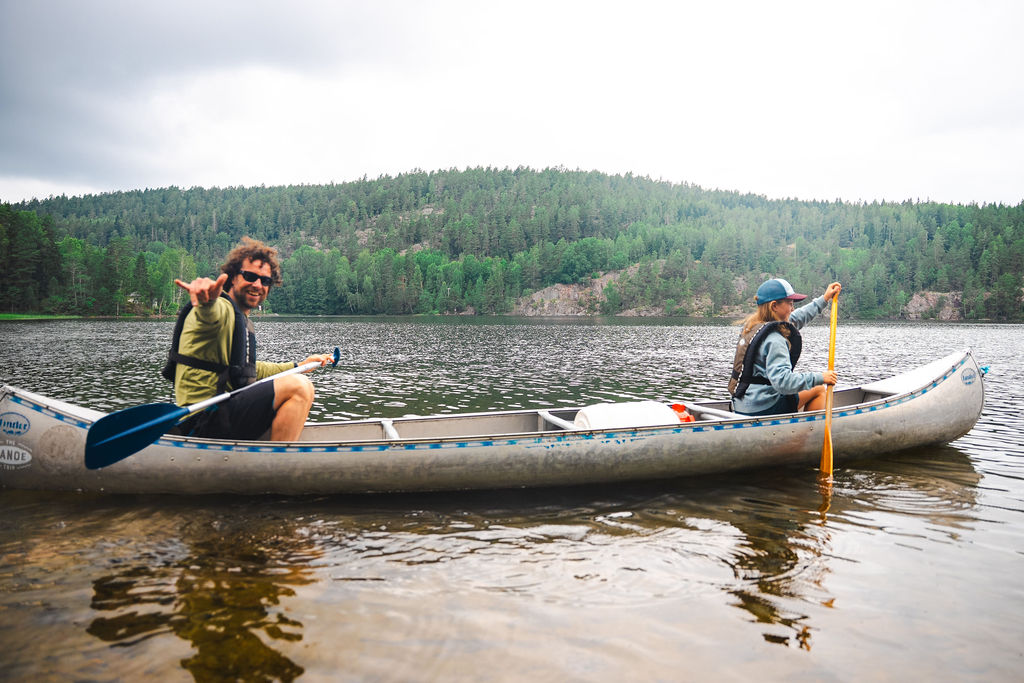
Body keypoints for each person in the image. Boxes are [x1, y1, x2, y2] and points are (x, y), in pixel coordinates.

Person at [163, 237, 334, 441]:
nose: (257, 284)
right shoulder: (221, 309)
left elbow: (251, 369)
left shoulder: (240, 319)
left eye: (265, 280)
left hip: (220, 416)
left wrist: (299, 365)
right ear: (233, 277)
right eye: (250, 276)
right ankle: (276, 466)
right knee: (300, 387)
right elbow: (209, 316)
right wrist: (206, 302)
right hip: (201, 422)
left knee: (291, 387)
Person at [729, 278, 842, 416]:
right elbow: (783, 382)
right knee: (818, 389)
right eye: (790, 303)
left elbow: (797, 317)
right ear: (774, 306)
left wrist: (824, 299)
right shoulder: (775, 340)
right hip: (762, 408)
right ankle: (806, 435)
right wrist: (820, 377)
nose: (792, 308)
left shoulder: (752, 328)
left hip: (741, 404)